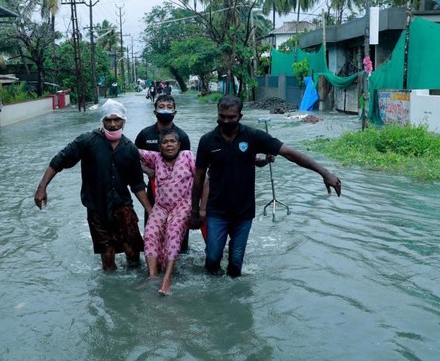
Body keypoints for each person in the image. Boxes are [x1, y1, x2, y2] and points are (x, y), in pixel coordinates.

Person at [190, 95, 342, 277]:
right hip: (216, 211)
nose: (226, 121)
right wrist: (195, 211)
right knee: (213, 260)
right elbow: (199, 177)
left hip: (243, 212)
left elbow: (290, 153)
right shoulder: (207, 141)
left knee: (235, 267)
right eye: (222, 116)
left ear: (240, 116)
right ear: (217, 115)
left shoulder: (253, 136)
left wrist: (324, 173)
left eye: (231, 117)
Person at [34, 99, 153, 271]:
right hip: (96, 208)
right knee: (108, 256)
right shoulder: (87, 141)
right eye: (108, 120)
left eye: (116, 120)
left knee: (133, 252)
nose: (112, 124)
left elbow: (137, 185)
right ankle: (111, 291)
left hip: (122, 206)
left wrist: (150, 211)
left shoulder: (130, 149)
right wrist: (41, 187)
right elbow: (59, 160)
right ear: (102, 121)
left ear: (124, 121)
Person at [137, 129, 195, 295]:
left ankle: (167, 279)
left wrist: (200, 208)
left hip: (183, 204)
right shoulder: (155, 158)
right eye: (165, 142)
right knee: (150, 233)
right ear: (160, 147)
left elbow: (201, 179)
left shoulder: (188, 156)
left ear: (179, 144)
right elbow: (132, 151)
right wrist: (147, 170)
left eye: (172, 141)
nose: (169, 145)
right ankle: (153, 275)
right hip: (161, 206)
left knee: (173, 232)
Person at [135, 94, 192, 251]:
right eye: (161, 107)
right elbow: (132, 158)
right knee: (152, 235)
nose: (165, 110)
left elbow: (188, 166)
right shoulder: (145, 135)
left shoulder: (183, 137)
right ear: (155, 112)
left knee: (180, 243)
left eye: (169, 107)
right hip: (154, 191)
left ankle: (178, 268)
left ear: (175, 112)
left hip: (179, 195)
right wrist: (148, 171)